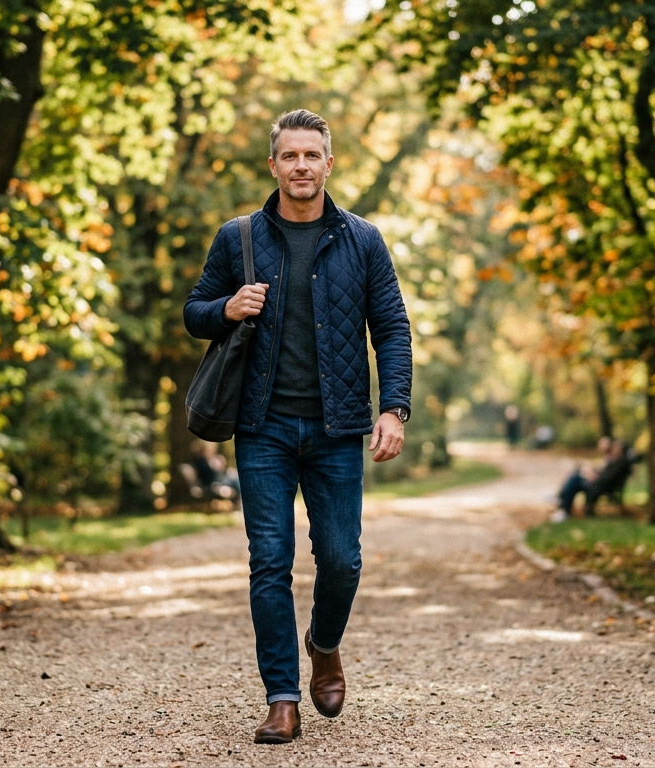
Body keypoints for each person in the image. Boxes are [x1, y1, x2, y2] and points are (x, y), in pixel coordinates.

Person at [183, 109, 412, 744]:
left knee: (342, 560)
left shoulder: (362, 240)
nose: (302, 166)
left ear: (329, 164)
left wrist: (394, 408)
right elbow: (194, 312)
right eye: (290, 156)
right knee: (269, 564)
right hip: (263, 427)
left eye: (313, 156)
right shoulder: (240, 239)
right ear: (274, 165)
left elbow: (392, 328)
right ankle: (281, 697)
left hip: (338, 429)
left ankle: (325, 642)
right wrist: (225, 308)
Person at [550, 437, 632, 521]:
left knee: (575, 480)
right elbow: (605, 475)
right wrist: (593, 473)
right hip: (599, 485)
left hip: (599, 487)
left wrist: (593, 477)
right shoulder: (616, 461)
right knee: (576, 475)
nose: (614, 449)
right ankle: (562, 502)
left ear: (621, 450)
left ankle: (564, 509)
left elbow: (606, 479)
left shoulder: (619, 463)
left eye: (616, 447)